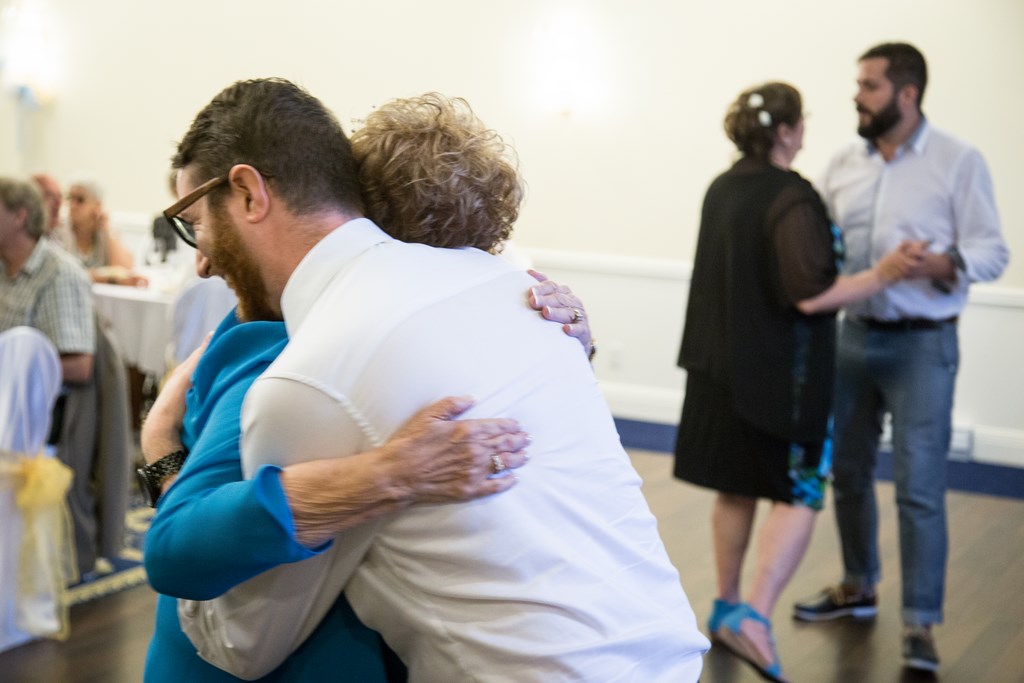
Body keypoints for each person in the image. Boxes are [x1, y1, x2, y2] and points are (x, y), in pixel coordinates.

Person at [156, 83, 707, 681]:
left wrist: (163, 454)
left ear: (247, 191)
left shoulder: (310, 375)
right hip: (666, 652)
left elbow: (240, 643)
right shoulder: (514, 291)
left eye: (194, 223)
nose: (202, 260)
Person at [673, 82, 922, 682]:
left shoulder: (722, 187)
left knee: (734, 487)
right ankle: (754, 617)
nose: (805, 128)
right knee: (799, 491)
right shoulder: (790, 196)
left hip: (722, 374)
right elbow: (811, 295)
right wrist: (884, 274)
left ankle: (727, 604)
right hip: (782, 382)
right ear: (785, 131)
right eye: (801, 120)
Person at [792, 43, 1010, 673]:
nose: (856, 96)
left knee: (919, 488)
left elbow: (993, 253)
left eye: (869, 86)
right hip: (853, 338)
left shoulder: (958, 161)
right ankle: (858, 587)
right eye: (859, 85)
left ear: (907, 94)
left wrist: (940, 264)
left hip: (924, 343)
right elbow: (823, 245)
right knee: (851, 474)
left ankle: (921, 624)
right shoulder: (842, 163)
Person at [0, 177, 95, 384]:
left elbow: (80, 367)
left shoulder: (59, 274)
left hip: (29, 405)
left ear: (19, 217)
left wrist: (9, 369)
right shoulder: (4, 265)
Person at [66, 178, 144, 285]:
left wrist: (107, 229)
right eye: (69, 198)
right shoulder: (60, 230)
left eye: (80, 200)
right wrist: (104, 277)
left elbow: (124, 270)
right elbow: (64, 274)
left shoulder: (105, 231)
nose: (72, 205)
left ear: (97, 206)